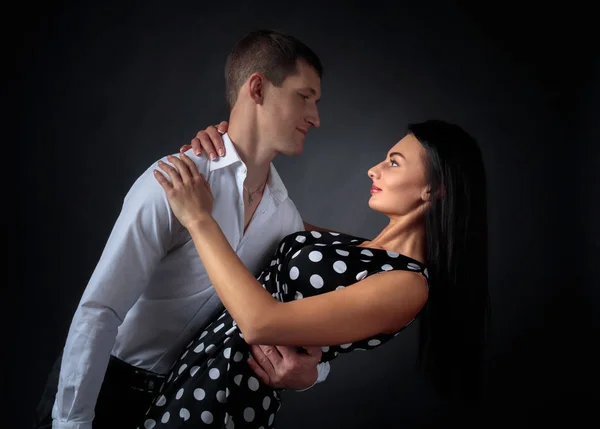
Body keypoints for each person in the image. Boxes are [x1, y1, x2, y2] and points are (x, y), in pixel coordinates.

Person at [34, 29, 333, 429]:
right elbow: (99, 311)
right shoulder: (177, 181)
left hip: (184, 402)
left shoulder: (284, 219)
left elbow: (306, 317)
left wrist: (315, 374)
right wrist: (72, 423)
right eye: (304, 97)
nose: (315, 118)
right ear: (258, 88)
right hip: (98, 385)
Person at [135, 118, 490, 428]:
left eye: (393, 163)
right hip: (194, 367)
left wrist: (198, 218)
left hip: (226, 394)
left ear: (434, 188)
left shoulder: (408, 286)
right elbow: (256, 211)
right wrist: (225, 151)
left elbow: (260, 322)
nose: (374, 169)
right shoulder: (355, 249)